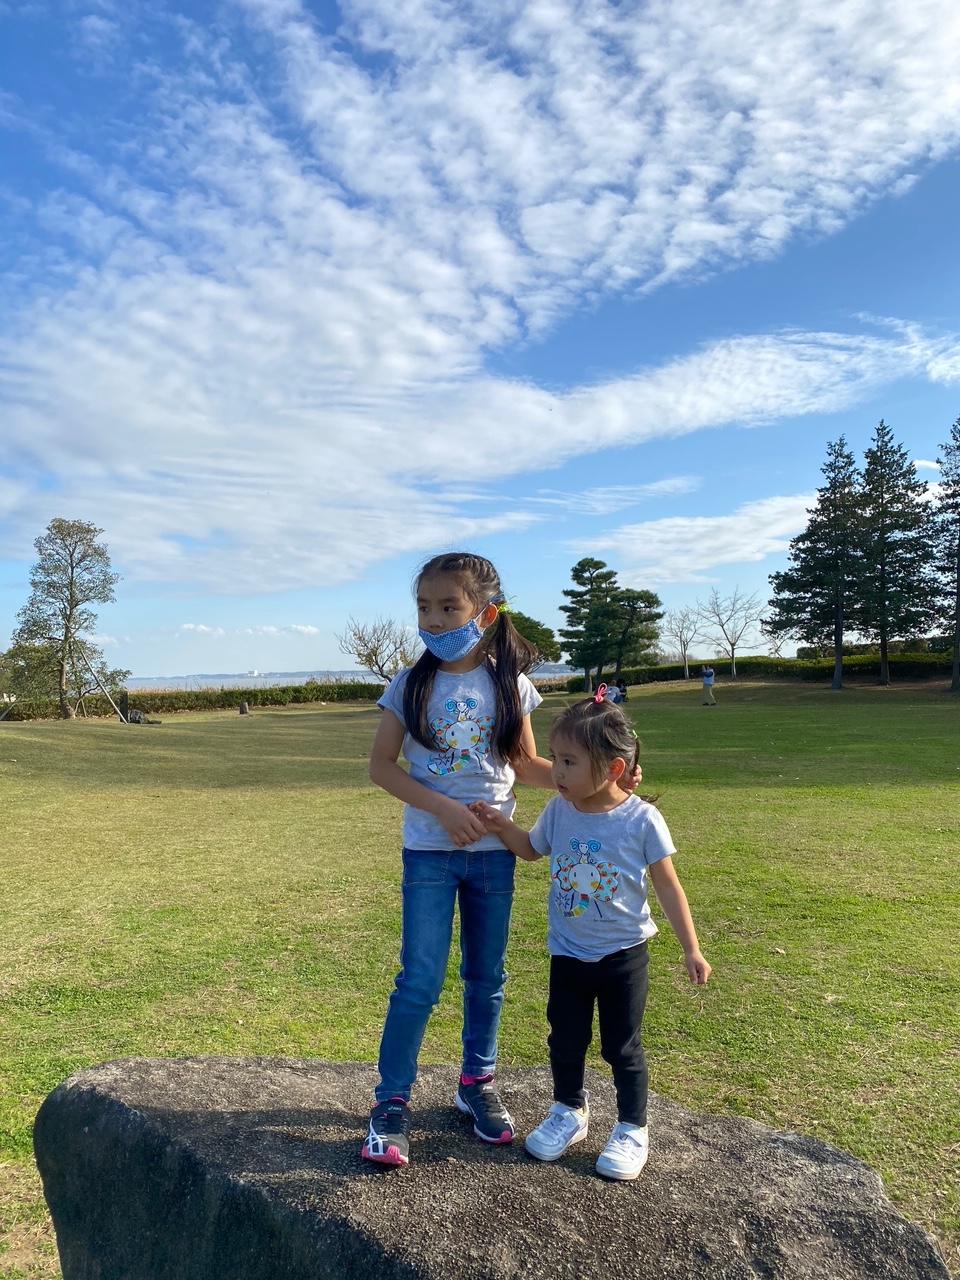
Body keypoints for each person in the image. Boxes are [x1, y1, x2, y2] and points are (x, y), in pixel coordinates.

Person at [361, 553, 640, 1168]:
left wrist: (605, 779)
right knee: (420, 979)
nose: (434, 620)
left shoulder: (510, 684)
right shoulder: (409, 684)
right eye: (424, 608)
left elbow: (527, 765)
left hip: (495, 854)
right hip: (430, 853)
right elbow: (382, 767)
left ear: (484, 614)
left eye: (449, 607)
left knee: (487, 978)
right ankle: (391, 1102)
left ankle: (476, 1085)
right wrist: (443, 808)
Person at [471, 690, 711, 1181]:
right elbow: (531, 849)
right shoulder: (560, 810)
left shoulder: (641, 819)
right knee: (565, 1038)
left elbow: (668, 885)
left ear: (614, 768)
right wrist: (499, 825)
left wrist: (692, 948)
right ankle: (568, 1110)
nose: (556, 772)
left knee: (622, 1046)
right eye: (556, 758)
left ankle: (631, 1128)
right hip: (568, 953)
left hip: (623, 955)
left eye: (568, 762)